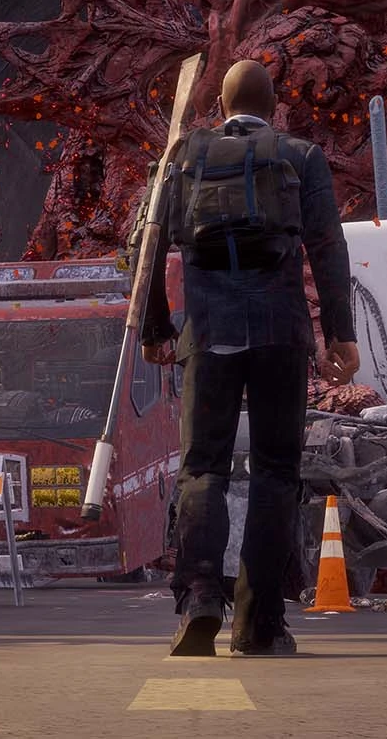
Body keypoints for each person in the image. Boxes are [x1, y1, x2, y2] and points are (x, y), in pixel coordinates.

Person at [142, 58, 361, 657]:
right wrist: (339, 333)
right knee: (274, 472)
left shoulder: (183, 156)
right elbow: (328, 247)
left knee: (202, 469)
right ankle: (259, 623)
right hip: (279, 333)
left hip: (208, 334)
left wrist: (156, 330)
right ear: (273, 106)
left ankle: (199, 599)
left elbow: (148, 247)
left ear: (220, 105)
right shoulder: (301, 156)